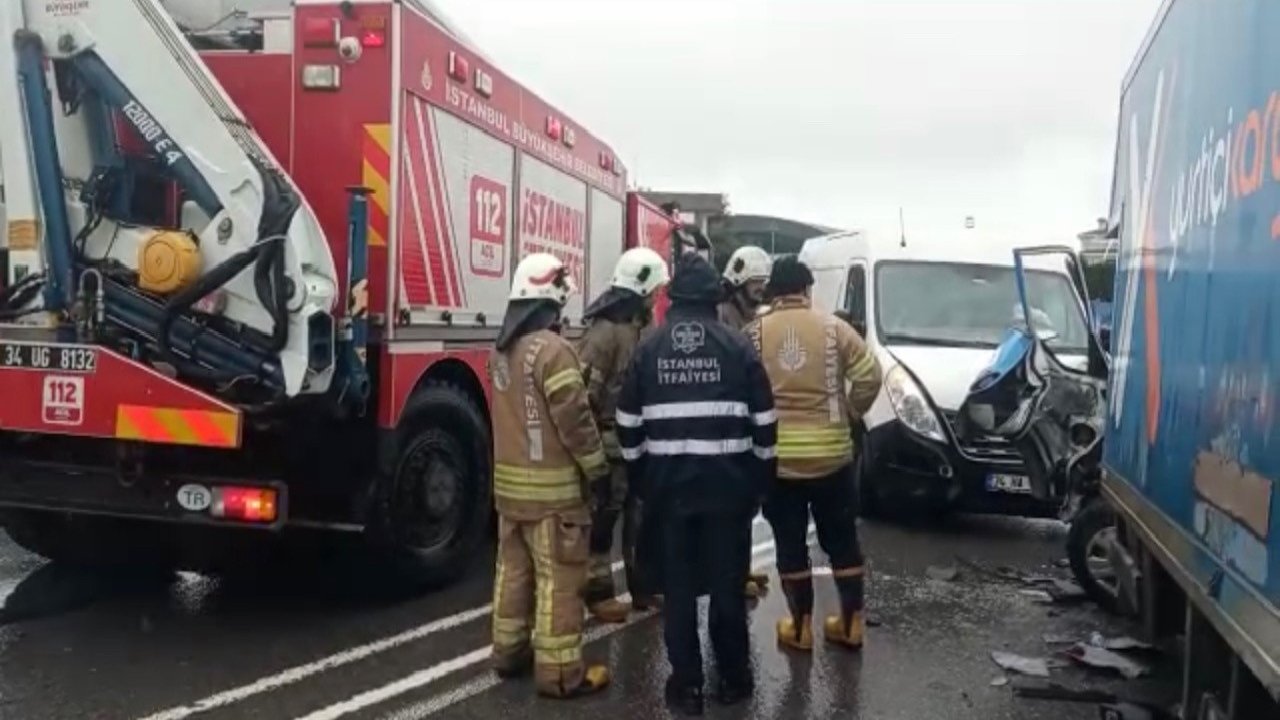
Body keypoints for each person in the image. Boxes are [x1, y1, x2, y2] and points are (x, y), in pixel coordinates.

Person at [616, 252, 777, 716]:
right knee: (728, 587)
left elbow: (627, 425)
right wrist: (759, 481)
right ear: (712, 297)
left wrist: (644, 478)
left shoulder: (649, 348)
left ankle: (687, 686)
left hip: (669, 494)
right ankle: (734, 679)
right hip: (728, 492)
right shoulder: (738, 347)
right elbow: (765, 423)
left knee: (680, 592)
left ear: (673, 297)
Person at [743, 254, 883, 653]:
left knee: (790, 543)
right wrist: (851, 411)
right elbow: (870, 375)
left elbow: (739, 386)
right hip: (832, 458)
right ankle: (851, 625)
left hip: (779, 461)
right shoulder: (835, 329)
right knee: (841, 539)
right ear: (806, 289)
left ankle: (800, 628)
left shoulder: (753, 334)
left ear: (773, 292)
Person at [487, 252, 611, 699]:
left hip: (510, 495)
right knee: (559, 579)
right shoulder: (554, 351)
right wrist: (598, 470)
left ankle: (508, 653)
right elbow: (575, 420)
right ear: (550, 299)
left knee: (513, 574)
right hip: (554, 499)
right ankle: (560, 674)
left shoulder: (501, 349)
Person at [577, 247, 671, 623]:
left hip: (640, 442)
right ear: (643, 288)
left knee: (641, 519)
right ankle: (598, 593)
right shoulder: (605, 333)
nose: (658, 296)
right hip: (610, 443)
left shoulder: (642, 327)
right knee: (603, 519)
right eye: (655, 289)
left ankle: (643, 587)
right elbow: (583, 397)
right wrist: (591, 454)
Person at [717, 245, 775, 599]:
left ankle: (740, 566)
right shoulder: (723, 316)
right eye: (755, 283)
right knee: (730, 504)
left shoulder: (750, 317)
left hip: (745, 419)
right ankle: (730, 573)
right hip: (729, 422)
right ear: (738, 282)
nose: (761, 290)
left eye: (763, 283)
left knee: (746, 503)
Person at [718, 245, 772, 331]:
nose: (761, 287)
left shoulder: (765, 314)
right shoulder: (722, 315)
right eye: (755, 281)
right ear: (738, 283)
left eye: (763, 281)